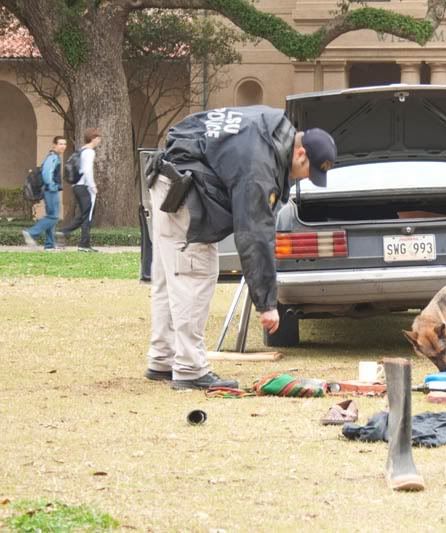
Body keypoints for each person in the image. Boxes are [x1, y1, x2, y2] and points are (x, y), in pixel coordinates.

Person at [143, 106, 336, 390]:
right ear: (300, 154)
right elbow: (254, 234)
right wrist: (267, 304)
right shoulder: (259, 165)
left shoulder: (270, 124)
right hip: (182, 191)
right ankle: (189, 368)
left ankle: (163, 358)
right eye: (308, 172)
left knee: (168, 277)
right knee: (194, 273)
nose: (303, 179)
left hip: (167, 177)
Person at [58, 128, 101, 252]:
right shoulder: (89, 152)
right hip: (85, 187)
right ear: (93, 138)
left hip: (76, 186)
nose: (99, 140)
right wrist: (93, 186)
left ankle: (69, 235)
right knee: (87, 216)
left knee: (83, 215)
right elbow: (87, 170)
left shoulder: (81, 150)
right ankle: (82, 243)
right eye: (98, 137)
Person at [22, 136, 67, 251]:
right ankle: (31, 232)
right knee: (53, 217)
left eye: (64, 144)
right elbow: (47, 173)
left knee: (51, 216)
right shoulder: (53, 157)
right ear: (54, 145)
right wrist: (51, 185)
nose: (63, 146)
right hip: (51, 190)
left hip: (50, 190)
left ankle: (49, 245)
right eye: (60, 144)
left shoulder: (54, 156)